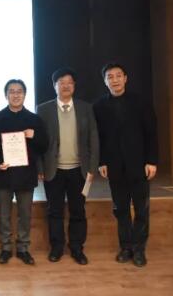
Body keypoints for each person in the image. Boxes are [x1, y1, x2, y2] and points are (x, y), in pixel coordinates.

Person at [93, 62, 158, 267]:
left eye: (118, 76)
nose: (115, 80)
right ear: (105, 81)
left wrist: (152, 161)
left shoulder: (141, 102)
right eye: (110, 77)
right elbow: (99, 138)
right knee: (120, 209)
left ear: (125, 78)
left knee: (141, 209)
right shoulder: (99, 106)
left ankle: (139, 249)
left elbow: (151, 133)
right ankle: (126, 247)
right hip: (114, 166)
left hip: (139, 165)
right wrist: (102, 162)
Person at [37, 67, 99, 265]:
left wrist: (92, 167)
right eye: (61, 83)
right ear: (54, 86)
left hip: (79, 170)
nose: (65, 86)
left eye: (69, 82)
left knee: (78, 211)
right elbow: (38, 143)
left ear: (74, 86)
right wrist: (39, 168)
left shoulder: (86, 108)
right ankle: (56, 247)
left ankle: (77, 248)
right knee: (54, 211)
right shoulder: (43, 109)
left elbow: (93, 139)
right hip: (53, 170)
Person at [0, 79, 48, 265]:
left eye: (19, 91)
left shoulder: (34, 119)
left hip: (26, 174)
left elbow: (44, 146)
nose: (15, 95)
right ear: (6, 95)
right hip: (3, 173)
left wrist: (34, 136)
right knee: (4, 214)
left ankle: (23, 248)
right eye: (12, 91)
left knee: (25, 214)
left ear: (25, 94)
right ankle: (5, 248)